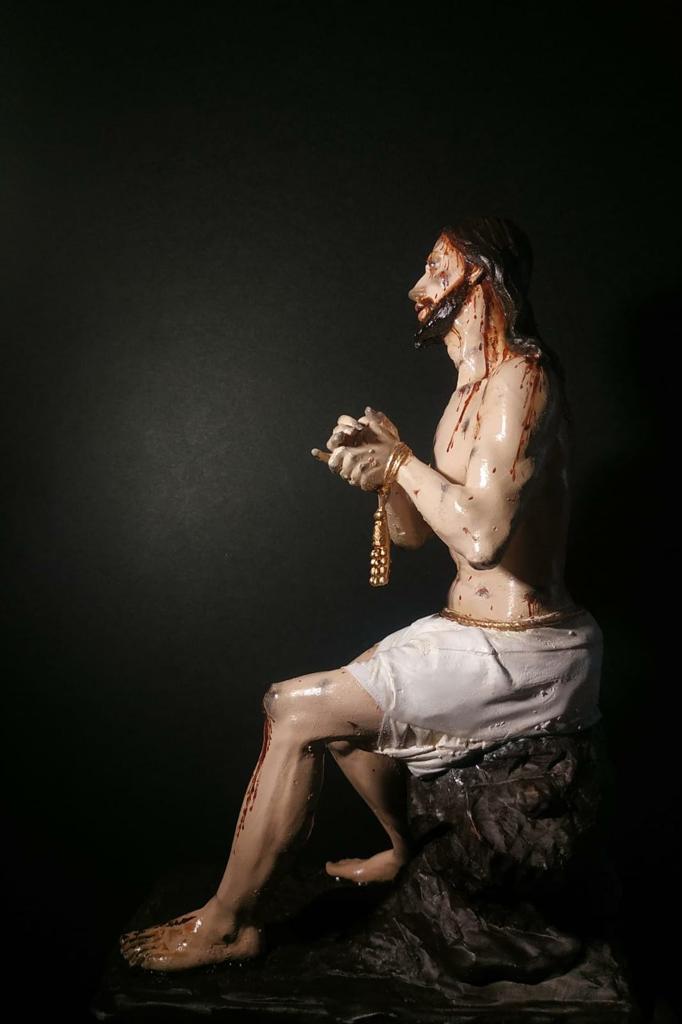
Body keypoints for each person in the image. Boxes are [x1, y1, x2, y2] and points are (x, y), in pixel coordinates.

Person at [120, 217, 602, 972]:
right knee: (343, 724)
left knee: (294, 708)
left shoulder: (521, 380)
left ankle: (229, 924)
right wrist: (384, 478)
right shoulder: (469, 389)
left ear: (480, 277)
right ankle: (407, 852)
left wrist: (401, 462)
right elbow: (416, 537)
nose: (417, 288)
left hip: (531, 649)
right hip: (472, 628)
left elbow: (482, 537)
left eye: (435, 269)